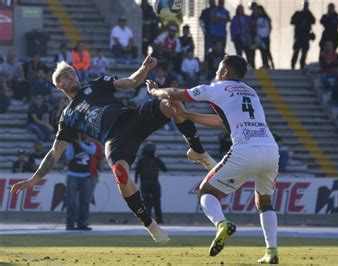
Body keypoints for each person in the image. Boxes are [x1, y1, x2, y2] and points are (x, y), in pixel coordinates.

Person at [10, 55, 216, 244]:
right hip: (113, 139)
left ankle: (198, 151)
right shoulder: (67, 117)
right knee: (121, 175)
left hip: (131, 118)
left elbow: (131, 82)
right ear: (58, 85)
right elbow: (55, 152)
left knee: (173, 104)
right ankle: (150, 224)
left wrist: (144, 68)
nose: (70, 76)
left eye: (71, 72)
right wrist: (34, 179)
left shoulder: (96, 85)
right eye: (65, 76)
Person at [147, 55, 280, 264]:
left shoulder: (218, 87)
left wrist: (155, 91)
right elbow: (221, 122)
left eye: (218, 69)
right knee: (264, 202)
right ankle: (271, 251)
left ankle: (222, 224)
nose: (216, 74)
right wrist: (189, 116)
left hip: (245, 149)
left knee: (206, 192)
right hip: (271, 150)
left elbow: (174, 94)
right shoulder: (251, 92)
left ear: (225, 71)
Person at [64, 133, 96, 230]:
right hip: (72, 175)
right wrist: (73, 144)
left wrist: (81, 144)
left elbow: (92, 152)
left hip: (85, 176)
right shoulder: (71, 144)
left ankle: (82, 223)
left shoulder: (91, 144)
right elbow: (69, 156)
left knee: (85, 201)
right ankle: (70, 223)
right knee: (71, 201)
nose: (83, 136)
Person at [135, 142, 167, 224]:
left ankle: (147, 221)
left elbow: (137, 171)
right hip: (155, 183)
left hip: (145, 183)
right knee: (157, 202)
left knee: (146, 203)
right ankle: (159, 220)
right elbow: (165, 169)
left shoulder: (141, 160)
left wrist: (136, 180)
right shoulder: (156, 160)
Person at [290, 1, 315, 70]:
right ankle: (293, 64)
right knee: (296, 51)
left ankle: (302, 64)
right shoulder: (298, 14)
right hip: (299, 35)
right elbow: (292, 21)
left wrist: (308, 13)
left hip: (306, 36)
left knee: (304, 52)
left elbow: (313, 20)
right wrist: (300, 21)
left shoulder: (309, 14)